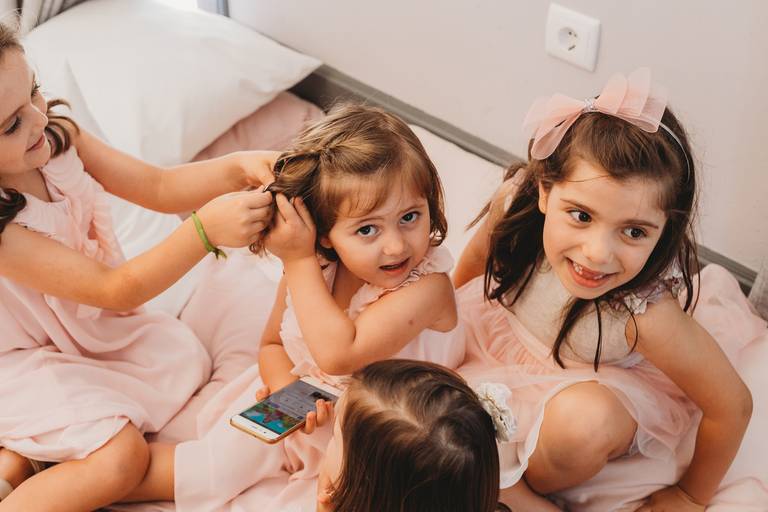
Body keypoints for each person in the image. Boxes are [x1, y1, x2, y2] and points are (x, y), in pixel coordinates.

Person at [120, 104, 466, 510]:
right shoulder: (315, 269)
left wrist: (297, 260)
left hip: (381, 440)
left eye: (410, 216)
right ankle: (81, 471)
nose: (396, 245)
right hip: (302, 407)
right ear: (325, 235)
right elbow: (271, 345)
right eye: (367, 229)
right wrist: (288, 393)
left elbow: (339, 354)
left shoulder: (427, 288)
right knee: (208, 469)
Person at [0, 20, 277, 511]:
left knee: (185, 363)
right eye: (11, 125)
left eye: (35, 93)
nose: (38, 120)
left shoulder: (60, 139)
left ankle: (25, 459)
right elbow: (115, 288)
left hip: (85, 335)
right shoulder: (4, 230)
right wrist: (204, 231)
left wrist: (238, 167)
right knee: (120, 457)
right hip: (16, 362)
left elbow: (159, 187)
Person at [455, 68, 755, 511]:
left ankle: (525, 490)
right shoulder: (516, 205)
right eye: (580, 215)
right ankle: (499, 481)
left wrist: (691, 495)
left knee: (581, 428)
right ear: (544, 191)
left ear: (663, 231)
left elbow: (733, 405)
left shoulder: (643, 312)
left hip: (588, 384)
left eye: (634, 231)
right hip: (498, 350)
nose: (597, 255)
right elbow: (468, 273)